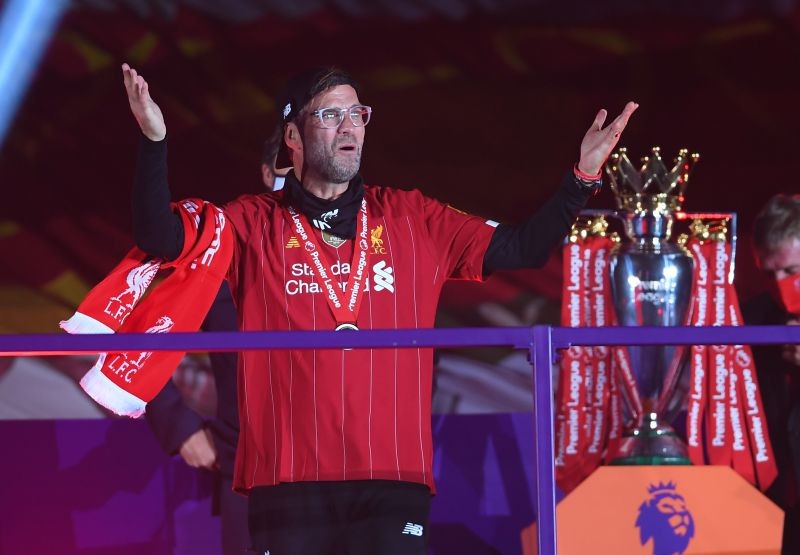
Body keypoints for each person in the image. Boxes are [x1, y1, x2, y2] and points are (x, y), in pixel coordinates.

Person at [121, 62, 637, 554]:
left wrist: (581, 179)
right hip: (287, 481)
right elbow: (161, 238)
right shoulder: (250, 222)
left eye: (357, 113)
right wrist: (153, 143)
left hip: (393, 482)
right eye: (329, 114)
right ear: (293, 138)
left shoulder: (414, 217)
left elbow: (525, 247)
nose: (349, 126)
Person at [144, 130, 289, 555]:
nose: (300, 184)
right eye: (287, 170)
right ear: (266, 174)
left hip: (345, 471)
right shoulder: (222, 257)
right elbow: (143, 337)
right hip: (251, 473)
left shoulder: (359, 256)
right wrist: (178, 426)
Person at [744, 194, 800, 554]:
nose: (780, 284)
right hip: (772, 502)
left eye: (793, 272)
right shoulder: (752, 318)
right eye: (770, 273)